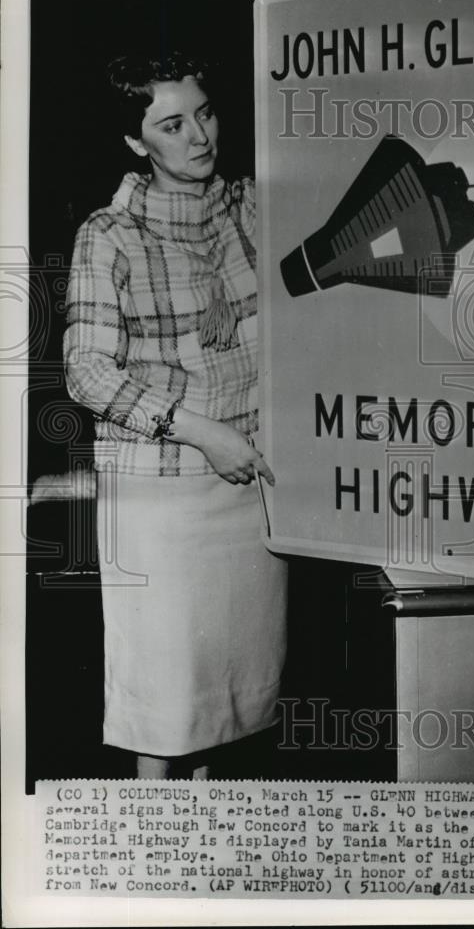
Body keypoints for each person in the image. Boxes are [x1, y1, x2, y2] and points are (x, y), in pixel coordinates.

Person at [63, 52, 287, 779]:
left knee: (224, 711)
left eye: (206, 112)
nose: (199, 136)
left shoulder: (250, 207)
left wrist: (301, 42)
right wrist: (202, 431)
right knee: (163, 714)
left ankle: (203, 870)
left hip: (251, 489)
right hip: (163, 499)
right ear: (136, 143)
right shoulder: (110, 234)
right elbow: (87, 373)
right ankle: (151, 868)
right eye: (171, 123)